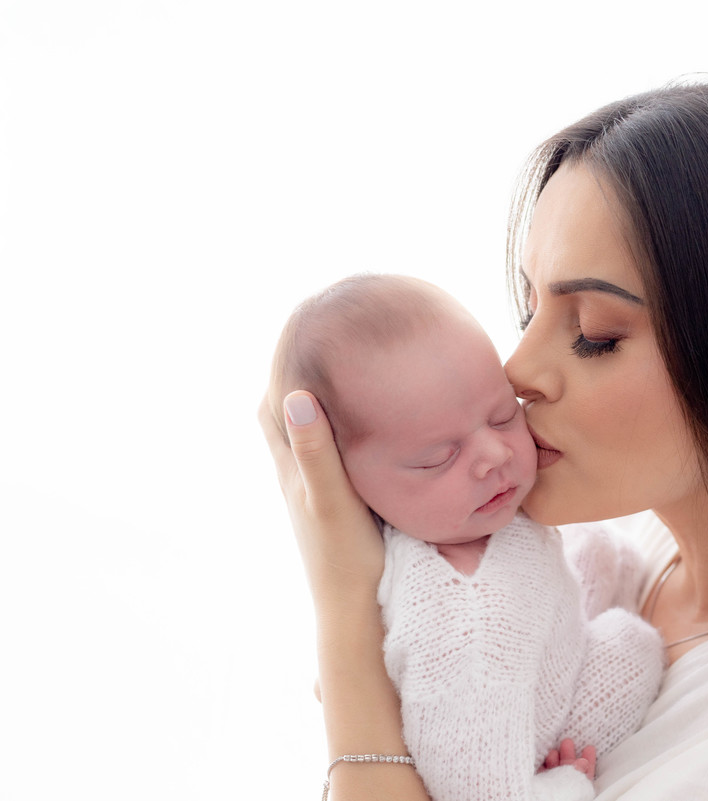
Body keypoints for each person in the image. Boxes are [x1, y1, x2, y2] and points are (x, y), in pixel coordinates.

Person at [261, 75, 708, 800]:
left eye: (593, 333)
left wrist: (346, 610)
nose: (517, 371)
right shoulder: (617, 556)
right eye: (529, 311)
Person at [265, 275, 663, 801]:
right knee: (634, 648)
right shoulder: (454, 626)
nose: (495, 455)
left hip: (554, 653)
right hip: (522, 746)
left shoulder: (474, 518)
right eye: (438, 458)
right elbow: (477, 789)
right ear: (346, 487)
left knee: (597, 557)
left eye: (502, 415)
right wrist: (564, 783)